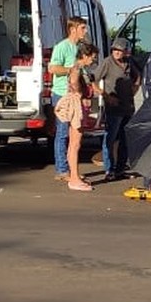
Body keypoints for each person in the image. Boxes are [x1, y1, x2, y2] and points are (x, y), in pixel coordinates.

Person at [48, 16, 89, 181]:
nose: (85, 31)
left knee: (74, 133)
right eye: (83, 28)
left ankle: (71, 170)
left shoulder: (79, 48)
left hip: (74, 95)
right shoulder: (62, 47)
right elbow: (52, 68)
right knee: (62, 132)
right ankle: (62, 170)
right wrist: (70, 70)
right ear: (73, 29)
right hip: (61, 94)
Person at [53, 42, 99, 192]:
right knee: (75, 143)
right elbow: (73, 82)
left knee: (75, 143)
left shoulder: (79, 68)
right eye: (92, 57)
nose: (93, 60)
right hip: (76, 105)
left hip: (79, 105)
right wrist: (79, 94)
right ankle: (74, 178)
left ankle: (74, 176)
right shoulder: (77, 68)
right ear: (84, 56)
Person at [93, 37, 140, 181]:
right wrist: (106, 96)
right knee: (110, 138)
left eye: (120, 50)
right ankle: (109, 170)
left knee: (125, 139)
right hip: (114, 107)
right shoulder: (107, 62)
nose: (117, 52)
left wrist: (135, 88)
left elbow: (137, 76)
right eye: (115, 49)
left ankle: (120, 169)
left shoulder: (129, 63)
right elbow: (93, 79)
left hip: (128, 107)